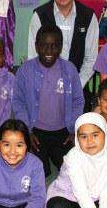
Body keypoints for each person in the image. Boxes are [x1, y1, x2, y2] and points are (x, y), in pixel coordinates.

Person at [13, 25, 84, 177]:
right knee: (39, 173)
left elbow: (78, 100)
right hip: (36, 133)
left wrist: (74, 129)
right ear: (36, 46)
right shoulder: (25, 70)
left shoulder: (69, 69)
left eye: (54, 46)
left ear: (61, 47)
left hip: (64, 132)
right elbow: (18, 102)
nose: (49, 51)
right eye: (44, 46)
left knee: (69, 170)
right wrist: (26, 131)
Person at [28, 0, 99, 109]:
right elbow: (33, 57)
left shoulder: (89, 16)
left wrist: (76, 85)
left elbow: (91, 59)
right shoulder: (39, 16)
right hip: (46, 88)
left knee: (77, 129)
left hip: (78, 87)